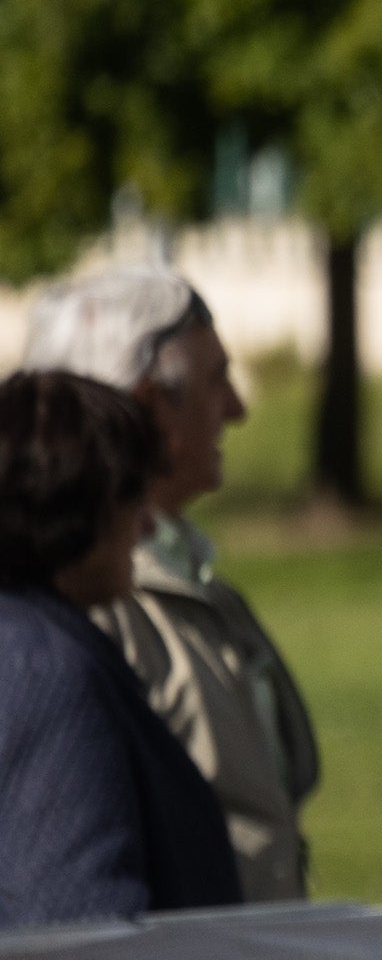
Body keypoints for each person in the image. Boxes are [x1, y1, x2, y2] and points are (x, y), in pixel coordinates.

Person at [18, 266, 319, 900]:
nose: (237, 409)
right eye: (217, 383)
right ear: (153, 403)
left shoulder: (185, 578)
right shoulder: (69, 621)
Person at [0, 372, 242, 928]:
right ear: (71, 503)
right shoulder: (44, 673)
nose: (148, 523)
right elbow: (81, 950)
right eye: (133, 494)